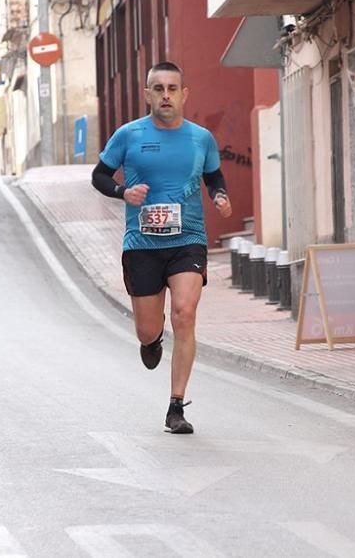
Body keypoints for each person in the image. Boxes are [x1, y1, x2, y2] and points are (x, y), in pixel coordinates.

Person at [91, 61, 232, 434]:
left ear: (184, 94)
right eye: (158, 88)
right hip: (142, 244)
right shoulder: (129, 135)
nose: (165, 95)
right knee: (147, 328)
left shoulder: (200, 138)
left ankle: (176, 406)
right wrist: (124, 192)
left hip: (188, 239)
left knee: (185, 314)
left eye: (172, 88)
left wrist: (219, 195)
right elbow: (100, 176)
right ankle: (151, 341)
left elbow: (214, 175)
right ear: (148, 94)